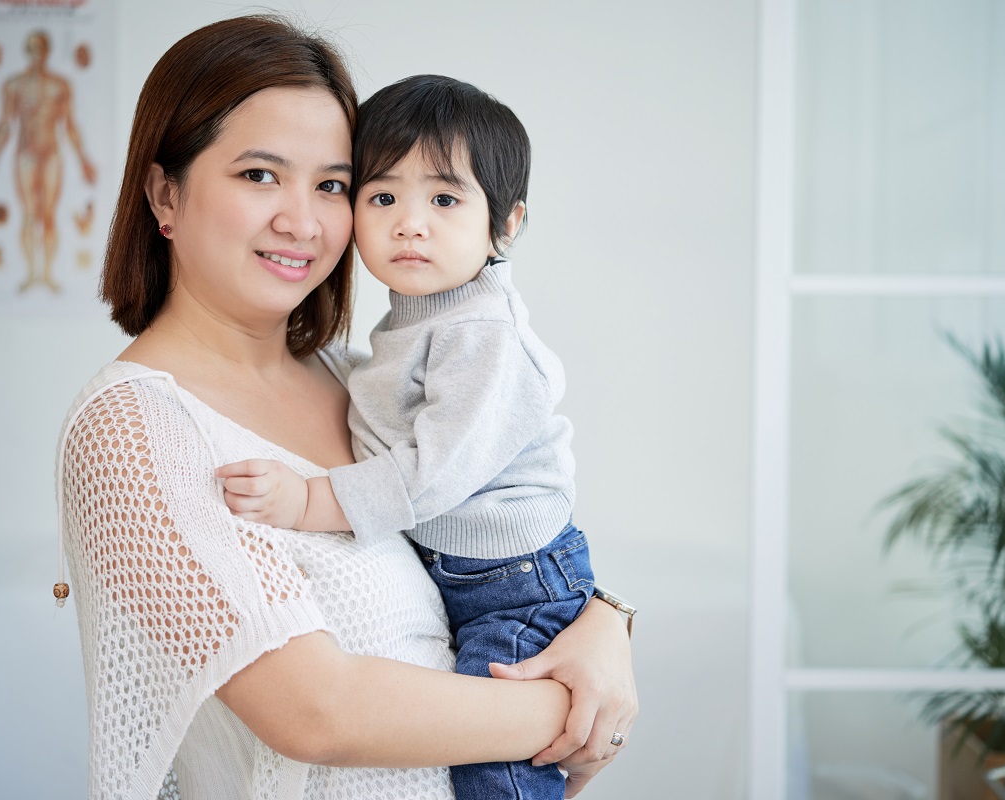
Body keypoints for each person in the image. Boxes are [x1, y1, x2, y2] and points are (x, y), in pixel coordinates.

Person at [55, 15, 636, 800]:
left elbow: (487, 527)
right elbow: (317, 713)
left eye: (331, 184)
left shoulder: (350, 376)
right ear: (166, 193)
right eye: (260, 175)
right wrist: (570, 711)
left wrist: (606, 621)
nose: (303, 220)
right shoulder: (134, 429)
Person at [216, 74, 605, 800]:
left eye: (445, 200)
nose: (409, 222)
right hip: (471, 569)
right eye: (383, 196)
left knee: (497, 770)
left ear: (507, 224)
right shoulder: (415, 319)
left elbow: (431, 473)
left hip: (513, 585)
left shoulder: (482, 332)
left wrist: (308, 499)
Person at [0, 30, 96, 293]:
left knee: (48, 215)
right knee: (30, 214)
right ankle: (32, 273)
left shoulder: (60, 85)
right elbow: (5, 125)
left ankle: (46, 274)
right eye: (32, 48)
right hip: (26, 155)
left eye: (41, 48)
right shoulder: (14, 85)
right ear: (26, 50)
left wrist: (83, 160)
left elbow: (69, 125)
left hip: (52, 154)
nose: (36, 53)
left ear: (47, 51)